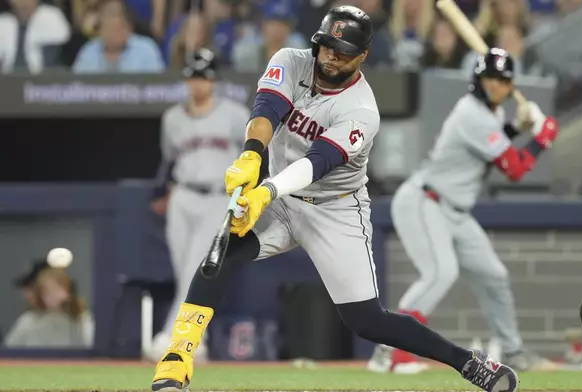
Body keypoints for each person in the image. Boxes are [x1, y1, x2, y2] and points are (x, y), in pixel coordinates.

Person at [150, 7, 519, 392]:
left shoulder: (361, 110)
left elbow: (318, 162)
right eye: (327, 46)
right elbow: (267, 111)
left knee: (367, 321)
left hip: (334, 208)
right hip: (279, 199)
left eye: (342, 51)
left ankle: (468, 363)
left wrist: (268, 189)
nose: (330, 56)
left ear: (362, 56)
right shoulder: (290, 60)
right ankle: (178, 357)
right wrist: (251, 155)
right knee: (221, 252)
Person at [367, 48, 559, 374]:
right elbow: (513, 168)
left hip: (455, 210)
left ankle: (512, 351)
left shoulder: (490, 115)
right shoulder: (473, 113)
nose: (496, 85)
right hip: (425, 201)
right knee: (440, 272)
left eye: (503, 80)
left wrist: (516, 127)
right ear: (478, 80)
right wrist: (541, 138)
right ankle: (390, 352)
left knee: (494, 276)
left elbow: (485, 150)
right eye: (490, 79)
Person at [147, 47, 250, 363]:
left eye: (204, 76)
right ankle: (196, 341)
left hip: (219, 198)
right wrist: (163, 193)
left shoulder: (234, 114)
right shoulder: (173, 118)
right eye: (193, 76)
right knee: (185, 272)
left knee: (196, 268)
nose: (198, 83)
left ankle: (174, 338)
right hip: (183, 197)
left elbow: (252, 158)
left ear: (214, 79)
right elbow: (170, 159)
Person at [4, 266, 94, 348]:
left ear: (66, 290)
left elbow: (90, 345)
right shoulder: (29, 319)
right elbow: (10, 348)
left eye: (55, 290)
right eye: (45, 292)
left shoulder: (81, 319)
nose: (51, 296)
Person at [72, 0, 164, 73]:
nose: (112, 24)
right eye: (108, 20)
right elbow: (74, 89)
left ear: (128, 27)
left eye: (116, 17)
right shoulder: (88, 52)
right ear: (100, 28)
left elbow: (160, 89)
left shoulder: (146, 50)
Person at [0, 0, 71, 74]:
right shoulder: (3, 22)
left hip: (41, 79)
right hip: (7, 79)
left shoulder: (51, 16)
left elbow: (53, 60)